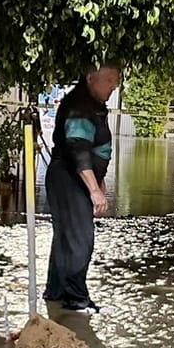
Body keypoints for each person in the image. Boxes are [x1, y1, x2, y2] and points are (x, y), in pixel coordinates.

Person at [45, 66, 121, 314]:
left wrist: (98, 181)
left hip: (73, 178)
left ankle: (56, 295)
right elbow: (77, 150)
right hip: (69, 179)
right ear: (90, 78)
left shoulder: (91, 104)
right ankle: (76, 300)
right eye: (109, 80)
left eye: (116, 81)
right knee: (80, 237)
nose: (113, 86)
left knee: (67, 237)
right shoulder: (80, 106)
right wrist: (94, 189)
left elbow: (91, 148)